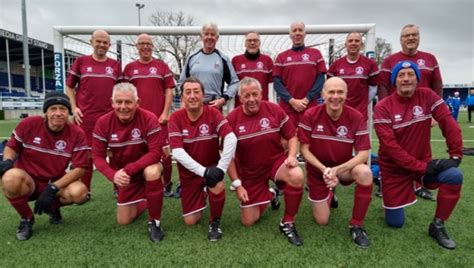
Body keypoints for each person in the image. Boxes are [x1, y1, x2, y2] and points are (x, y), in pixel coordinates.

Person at [373, 61, 463, 249]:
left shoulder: (427, 96)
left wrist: (456, 154)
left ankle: (437, 225)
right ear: (394, 81)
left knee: (454, 176)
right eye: (401, 75)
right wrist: (423, 167)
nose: (406, 78)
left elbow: (447, 121)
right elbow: (390, 147)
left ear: (417, 78)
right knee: (395, 223)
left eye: (410, 74)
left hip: (422, 166)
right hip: (394, 170)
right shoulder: (382, 107)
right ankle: (378, 175)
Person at [0, 92, 89, 241]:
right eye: (53, 108)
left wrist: (53, 188)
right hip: (28, 181)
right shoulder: (29, 124)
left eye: (63, 109)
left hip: (54, 182)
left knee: (80, 192)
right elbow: (12, 146)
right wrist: (7, 160)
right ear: (46, 112)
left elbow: (80, 168)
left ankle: (54, 208)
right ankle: (27, 218)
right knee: (10, 178)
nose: (58, 113)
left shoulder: (77, 133)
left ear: (69, 111)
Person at [226, 77, 305, 246]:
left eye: (255, 94)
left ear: (261, 94)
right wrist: (238, 184)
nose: (251, 99)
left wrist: (292, 155)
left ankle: (288, 222)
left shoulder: (274, 110)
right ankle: (272, 194)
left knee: (297, 175)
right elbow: (228, 157)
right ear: (240, 98)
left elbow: (292, 136)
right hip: (250, 172)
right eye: (246, 96)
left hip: (275, 163)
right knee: (248, 221)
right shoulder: (232, 119)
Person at [299, 77, 373, 248]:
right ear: (323, 94)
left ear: (346, 95)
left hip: (343, 169)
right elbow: (304, 150)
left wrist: (337, 170)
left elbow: (363, 154)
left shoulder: (355, 116)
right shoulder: (311, 114)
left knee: (365, 172)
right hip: (319, 171)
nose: (335, 96)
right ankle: (329, 192)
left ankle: (357, 225)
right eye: (331, 92)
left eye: (340, 92)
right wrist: (325, 170)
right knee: (322, 220)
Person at [92, 83, 167, 243]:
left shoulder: (149, 118)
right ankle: (148, 200)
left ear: (137, 102)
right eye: (118, 102)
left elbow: (155, 153)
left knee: (152, 172)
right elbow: (97, 157)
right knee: (123, 221)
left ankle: (155, 222)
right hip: (127, 174)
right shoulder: (103, 122)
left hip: (144, 166)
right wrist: (113, 175)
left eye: (128, 102)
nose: (123, 107)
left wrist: (128, 169)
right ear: (112, 103)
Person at [168, 77, 237, 242]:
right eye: (188, 92)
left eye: (196, 92)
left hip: (212, 169)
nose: (192, 96)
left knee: (218, 183)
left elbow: (231, 138)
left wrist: (220, 168)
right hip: (190, 176)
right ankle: (203, 192)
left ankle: (215, 222)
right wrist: (202, 171)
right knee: (190, 221)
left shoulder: (213, 113)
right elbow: (177, 152)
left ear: (203, 95)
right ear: (182, 97)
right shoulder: (175, 118)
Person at [379, 24, 443, 200]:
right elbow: (383, 87)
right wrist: (385, 113)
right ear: (400, 39)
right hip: (396, 116)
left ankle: (418, 183)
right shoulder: (390, 61)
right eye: (406, 35)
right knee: (392, 149)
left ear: (419, 37)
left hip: (421, 114)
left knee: (421, 148)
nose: (411, 38)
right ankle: (386, 181)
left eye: (414, 35)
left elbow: (437, 85)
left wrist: (435, 114)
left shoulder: (430, 59)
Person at [65, 29, 122, 193]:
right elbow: (69, 86)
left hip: (110, 117)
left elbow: (120, 89)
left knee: (115, 152)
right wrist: (74, 107)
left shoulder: (115, 65)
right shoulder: (81, 62)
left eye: (105, 42)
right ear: (91, 42)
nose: (102, 45)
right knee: (86, 155)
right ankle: (85, 190)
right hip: (86, 118)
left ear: (109, 45)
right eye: (99, 41)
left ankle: (118, 187)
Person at [122, 33, 176, 197]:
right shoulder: (129, 68)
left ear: (153, 47)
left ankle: (167, 184)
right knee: (134, 151)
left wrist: (166, 112)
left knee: (165, 152)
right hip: (136, 120)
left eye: (148, 44)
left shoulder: (162, 66)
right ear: (136, 47)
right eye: (142, 44)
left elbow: (169, 90)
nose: (145, 47)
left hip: (159, 119)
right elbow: (125, 93)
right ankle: (129, 184)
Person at [273, 21, 327, 128]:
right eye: (294, 30)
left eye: (300, 30)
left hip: (310, 106)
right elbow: (277, 82)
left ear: (305, 33)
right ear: (290, 35)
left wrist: (307, 99)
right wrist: (291, 101)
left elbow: (321, 79)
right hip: (288, 108)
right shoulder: (281, 57)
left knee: (309, 142)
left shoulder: (316, 54)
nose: (297, 33)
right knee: (289, 142)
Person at [179, 23, 239, 111]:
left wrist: (223, 99)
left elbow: (235, 82)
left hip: (214, 106)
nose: (209, 37)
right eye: (206, 34)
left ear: (217, 38)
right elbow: (182, 82)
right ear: (201, 37)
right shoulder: (192, 57)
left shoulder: (223, 59)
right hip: (193, 105)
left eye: (213, 34)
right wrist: (183, 100)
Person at [327, 32, 379, 120]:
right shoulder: (335, 65)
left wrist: (362, 103)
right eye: (350, 41)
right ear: (345, 44)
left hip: (360, 115)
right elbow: (329, 90)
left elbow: (373, 89)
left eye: (357, 41)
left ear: (361, 45)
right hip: (339, 115)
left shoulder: (371, 65)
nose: (353, 43)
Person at [231, 31, 273, 107]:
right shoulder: (235, 60)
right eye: (249, 40)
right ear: (245, 43)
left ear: (259, 43)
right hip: (242, 107)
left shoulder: (267, 60)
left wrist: (271, 104)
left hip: (262, 106)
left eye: (255, 40)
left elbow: (271, 86)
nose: (252, 43)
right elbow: (232, 86)